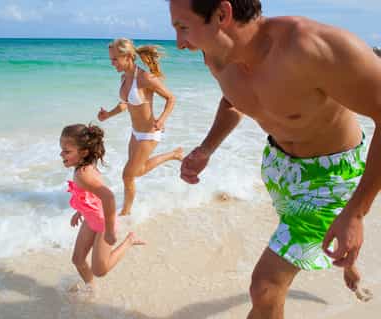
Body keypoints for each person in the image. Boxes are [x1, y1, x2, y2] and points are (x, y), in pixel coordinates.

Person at [169, 0, 380, 318]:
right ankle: (347, 264)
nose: (180, 43)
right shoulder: (215, 55)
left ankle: (340, 242)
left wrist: (356, 213)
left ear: (222, 15)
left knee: (265, 287)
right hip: (278, 166)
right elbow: (234, 98)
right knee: (291, 245)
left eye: (183, 27)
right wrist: (207, 149)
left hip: (331, 178)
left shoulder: (312, 47)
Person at [98, 38, 183, 216]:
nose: (112, 63)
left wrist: (162, 120)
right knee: (137, 171)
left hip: (150, 134)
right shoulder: (124, 77)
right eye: (111, 60)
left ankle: (126, 212)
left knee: (128, 175)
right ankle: (174, 154)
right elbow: (125, 104)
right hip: (136, 133)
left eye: (115, 59)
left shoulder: (145, 78)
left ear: (128, 56)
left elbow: (171, 98)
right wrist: (108, 115)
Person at [60, 124, 145, 292]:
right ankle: (90, 288)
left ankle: (129, 241)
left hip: (104, 222)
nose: (61, 154)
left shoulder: (83, 174)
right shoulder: (81, 168)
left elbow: (108, 197)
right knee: (78, 260)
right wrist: (80, 211)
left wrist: (110, 231)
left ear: (83, 153)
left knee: (100, 270)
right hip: (91, 218)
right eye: (62, 150)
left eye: (67, 151)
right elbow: (90, 196)